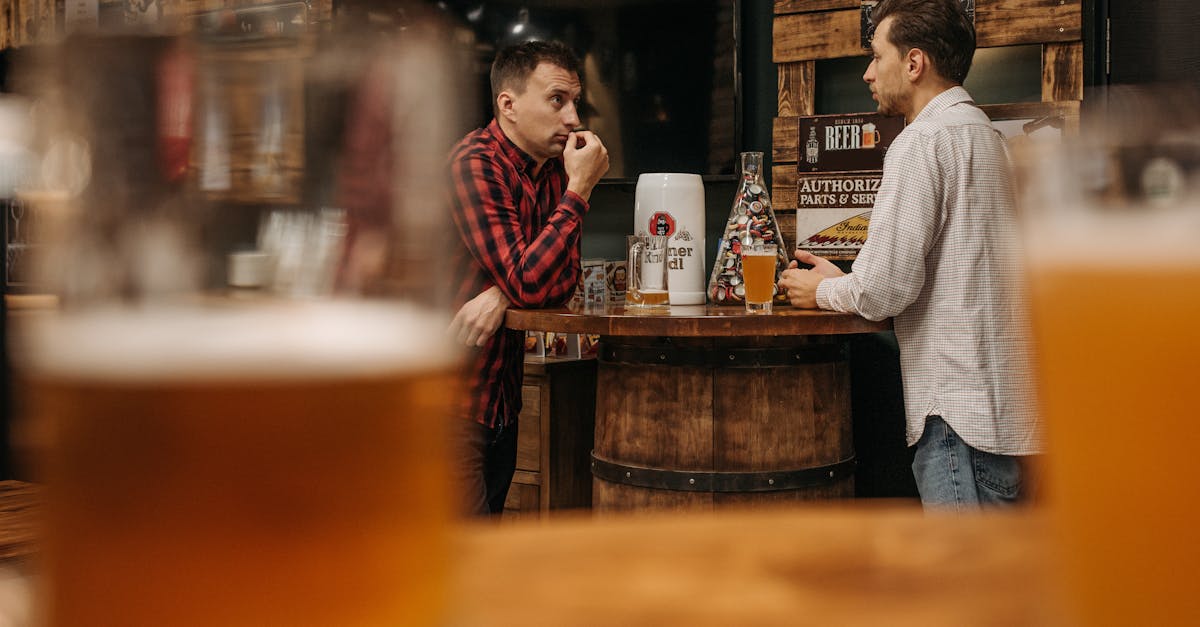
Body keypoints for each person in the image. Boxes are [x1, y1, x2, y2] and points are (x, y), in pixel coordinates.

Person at [777, 0, 1041, 510]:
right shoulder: (989, 139)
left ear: (914, 63)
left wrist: (822, 289)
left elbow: (886, 289)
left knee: (960, 583)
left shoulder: (921, 142)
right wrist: (842, 277)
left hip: (955, 418)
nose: (868, 72)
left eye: (877, 56)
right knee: (996, 583)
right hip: (1004, 415)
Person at [445, 40, 609, 516]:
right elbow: (533, 283)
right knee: (462, 563)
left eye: (575, 102)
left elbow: (563, 282)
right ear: (508, 104)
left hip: (499, 404)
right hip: (447, 405)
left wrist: (501, 293)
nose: (573, 118)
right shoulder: (475, 163)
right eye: (557, 100)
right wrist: (580, 189)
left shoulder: (552, 171)